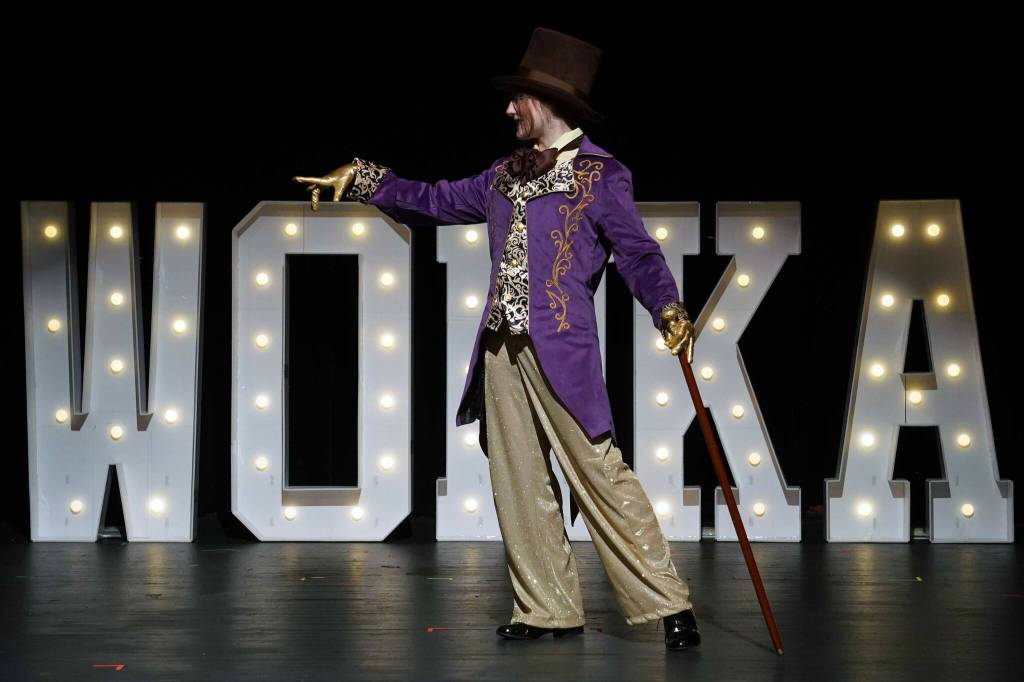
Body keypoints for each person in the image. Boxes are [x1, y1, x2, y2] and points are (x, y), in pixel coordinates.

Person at [294, 27, 701, 651]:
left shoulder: (600, 176)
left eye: (519, 99)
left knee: (599, 471)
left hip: (561, 345)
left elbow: (637, 252)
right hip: (500, 347)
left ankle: (669, 604)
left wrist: (667, 307)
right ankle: (547, 607)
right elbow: (432, 200)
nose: (509, 110)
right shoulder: (502, 176)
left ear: (549, 102)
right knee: (518, 475)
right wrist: (365, 177)